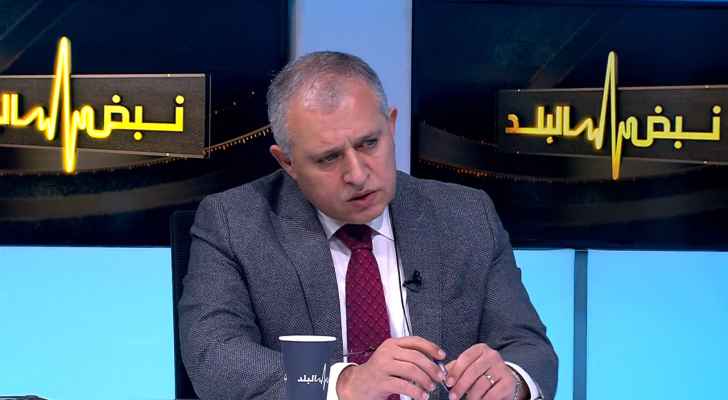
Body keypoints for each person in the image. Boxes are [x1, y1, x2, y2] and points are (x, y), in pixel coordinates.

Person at [179, 51, 557, 400]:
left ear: (391, 126)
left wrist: (511, 379)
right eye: (329, 158)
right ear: (287, 162)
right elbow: (213, 355)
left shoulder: (466, 215)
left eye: (369, 144)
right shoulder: (234, 223)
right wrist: (342, 384)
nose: (357, 175)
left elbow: (528, 347)